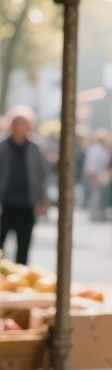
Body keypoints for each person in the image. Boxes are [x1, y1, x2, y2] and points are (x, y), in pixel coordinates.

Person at [0, 107, 49, 264]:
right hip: (5, 204)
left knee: (24, 246)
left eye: (27, 124)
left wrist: (43, 200)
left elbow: (43, 175)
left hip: (27, 204)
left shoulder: (35, 148)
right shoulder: (2, 146)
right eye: (21, 124)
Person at [83, 129, 111, 221]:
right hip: (96, 177)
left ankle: (98, 213)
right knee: (96, 196)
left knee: (99, 196)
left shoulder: (100, 149)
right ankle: (95, 215)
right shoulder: (96, 150)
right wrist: (94, 179)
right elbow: (92, 166)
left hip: (100, 176)